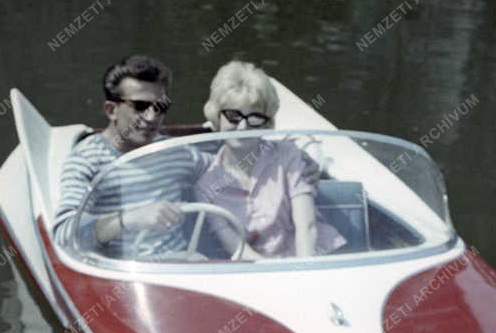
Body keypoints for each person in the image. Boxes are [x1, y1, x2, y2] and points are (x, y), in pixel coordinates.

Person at [52, 54, 205, 255]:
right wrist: (131, 218)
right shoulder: (88, 160)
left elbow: (225, 171)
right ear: (111, 110)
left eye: (160, 107)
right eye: (140, 106)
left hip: (183, 268)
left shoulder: (176, 152)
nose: (151, 117)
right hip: (123, 278)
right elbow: (64, 235)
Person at [195, 60, 344, 259]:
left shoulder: (287, 155)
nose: (242, 127)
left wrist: (304, 274)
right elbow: (238, 250)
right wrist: (276, 278)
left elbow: (306, 228)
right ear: (217, 117)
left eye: (255, 118)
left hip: (318, 258)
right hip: (265, 272)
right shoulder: (206, 187)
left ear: (267, 124)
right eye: (233, 116)